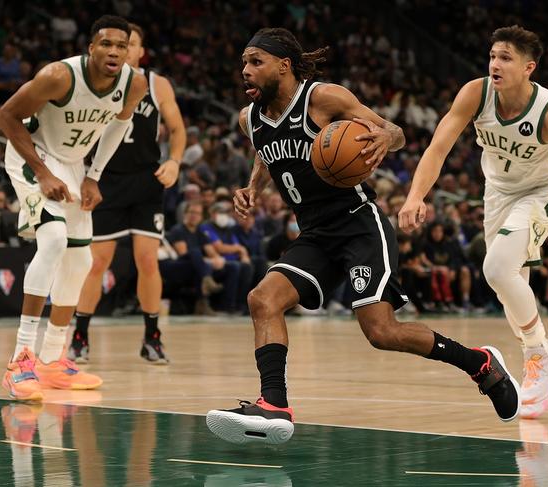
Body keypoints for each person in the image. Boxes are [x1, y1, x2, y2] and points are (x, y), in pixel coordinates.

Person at [206, 27, 521, 445]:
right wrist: (252, 188)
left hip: (358, 224)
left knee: (382, 332)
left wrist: (386, 137)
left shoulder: (324, 99)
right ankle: (274, 405)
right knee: (262, 299)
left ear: (283, 66)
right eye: (244, 62)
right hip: (315, 233)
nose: (245, 70)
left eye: (255, 62)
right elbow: (266, 157)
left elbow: (393, 132)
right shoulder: (250, 119)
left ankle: (480, 363)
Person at [399, 26, 548, 418]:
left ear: (529, 68)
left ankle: (539, 353)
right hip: (498, 192)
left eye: (505, 58)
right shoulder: (475, 93)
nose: (495, 64)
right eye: (492, 55)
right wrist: (414, 194)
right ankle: (541, 357)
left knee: (496, 268)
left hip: (545, 190)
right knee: (510, 284)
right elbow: (438, 146)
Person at [0, 15, 148, 401]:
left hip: (73, 163)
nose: (114, 51)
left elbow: (117, 126)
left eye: (121, 45)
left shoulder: (134, 83)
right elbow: (7, 116)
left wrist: (93, 176)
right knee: (52, 242)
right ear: (91, 47)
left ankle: (52, 360)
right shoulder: (58, 77)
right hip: (33, 156)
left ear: (130, 50)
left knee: (81, 262)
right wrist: (43, 172)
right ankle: (20, 360)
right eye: (106, 44)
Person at [68, 23, 186, 364]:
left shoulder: (156, 83)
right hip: (104, 179)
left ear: (139, 51)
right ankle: (80, 335)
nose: (122, 49)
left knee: (148, 259)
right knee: (97, 262)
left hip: (145, 181)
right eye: (116, 43)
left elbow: (177, 129)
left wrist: (175, 161)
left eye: (130, 44)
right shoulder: (97, 80)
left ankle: (152, 337)